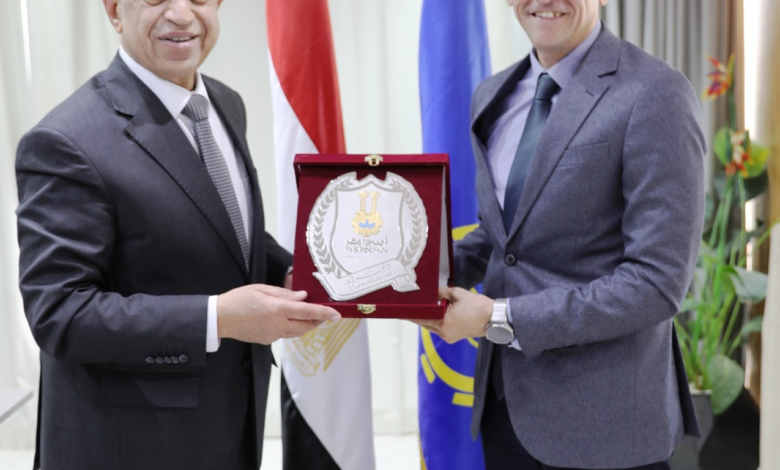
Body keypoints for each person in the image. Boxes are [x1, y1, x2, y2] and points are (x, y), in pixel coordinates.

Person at [15, 1, 340, 469]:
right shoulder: (64, 140)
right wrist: (219, 319)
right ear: (114, 10)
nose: (182, 15)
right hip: (129, 447)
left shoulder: (225, 103)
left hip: (230, 427)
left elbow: (226, 231)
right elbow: (60, 314)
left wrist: (297, 271)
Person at [413, 0, 705, 469]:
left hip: (606, 427)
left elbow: (656, 284)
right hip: (504, 409)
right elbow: (503, 236)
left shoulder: (657, 92)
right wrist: (416, 271)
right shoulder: (491, 94)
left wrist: (497, 317)